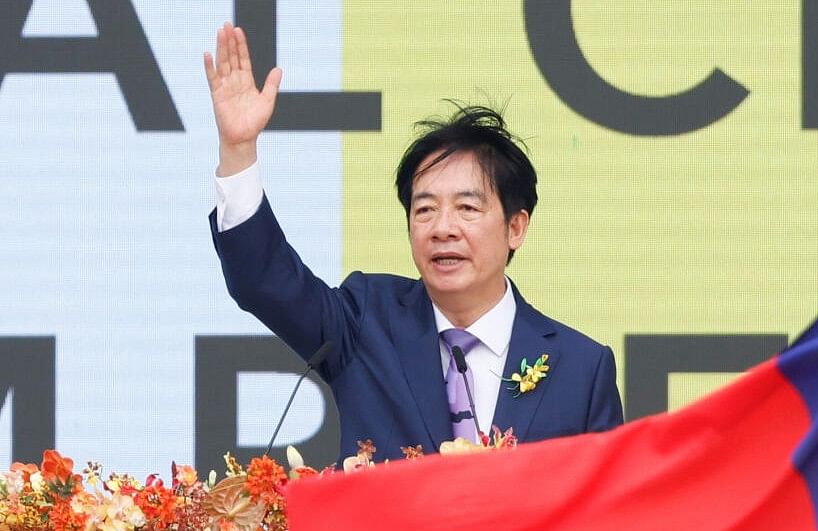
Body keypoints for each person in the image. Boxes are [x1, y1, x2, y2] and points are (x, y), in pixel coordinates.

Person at [203, 23, 623, 461]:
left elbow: (606, 513)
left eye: (467, 208)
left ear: (516, 227)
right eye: (424, 209)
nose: (443, 228)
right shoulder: (367, 323)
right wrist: (238, 150)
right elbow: (263, 280)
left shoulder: (580, 368)